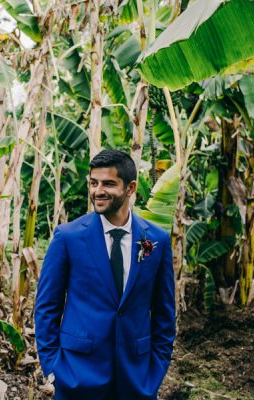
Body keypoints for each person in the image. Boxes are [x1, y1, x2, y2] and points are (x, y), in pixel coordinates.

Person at [34, 149, 175, 399]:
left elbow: (164, 313)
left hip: (137, 379)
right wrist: (53, 370)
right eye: (93, 183)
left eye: (108, 183)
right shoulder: (68, 237)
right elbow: (46, 308)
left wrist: (156, 371)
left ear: (130, 188)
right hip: (77, 376)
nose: (98, 191)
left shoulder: (156, 240)